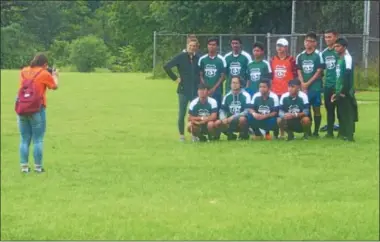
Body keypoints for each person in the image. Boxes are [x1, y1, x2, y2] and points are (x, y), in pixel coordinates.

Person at [16, 53, 59, 173]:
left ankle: (24, 167)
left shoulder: (24, 71)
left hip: (22, 107)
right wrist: (55, 76)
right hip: (37, 108)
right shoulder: (44, 73)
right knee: (38, 139)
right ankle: (38, 167)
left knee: (24, 139)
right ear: (45, 64)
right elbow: (54, 86)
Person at [164, 38, 201, 142]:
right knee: (182, 113)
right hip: (183, 90)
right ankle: (181, 135)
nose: (192, 48)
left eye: (194, 46)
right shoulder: (181, 57)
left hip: (195, 90)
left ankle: (195, 135)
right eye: (190, 46)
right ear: (187, 46)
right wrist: (175, 78)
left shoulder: (198, 58)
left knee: (195, 114)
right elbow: (166, 66)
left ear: (197, 47)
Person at [296, 31, 324, 138]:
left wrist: (308, 83)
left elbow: (319, 72)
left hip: (315, 86)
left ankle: (316, 131)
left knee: (316, 109)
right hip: (304, 87)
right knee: (306, 110)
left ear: (315, 43)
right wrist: (303, 84)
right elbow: (299, 71)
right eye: (307, 41)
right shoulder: (300, 56)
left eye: (311, 41)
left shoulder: (318, 55)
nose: (308, 43)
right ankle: (307, 131)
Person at [331, 37, 358, 142]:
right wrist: (336, 91)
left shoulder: (347, 58)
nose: (335, 48)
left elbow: (347, 75)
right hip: (339, 89)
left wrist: (343, 91)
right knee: (341, 113)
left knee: (348, 113)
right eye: (335, 46)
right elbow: (339, 76)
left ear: (344, 47)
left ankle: (350, 136)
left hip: (346, 91)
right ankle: (342, 133)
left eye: (338, 46)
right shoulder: (339, 58)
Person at [270, 38, 297, 139]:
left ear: (286, 47)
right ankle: (276, 133)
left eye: (281, 46)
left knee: (286, 113)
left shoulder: (291, 60)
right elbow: (271, 76)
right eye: (278, 46)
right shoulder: (273, 60)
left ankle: (288, 132)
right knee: (275, 113)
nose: (279, 48)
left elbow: (295, 75)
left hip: (287, 91)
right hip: (275, 91)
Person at [215, 76, 251, 140]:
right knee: (218, 122)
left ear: (240, 84)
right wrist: (223, 118)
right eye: (233, 83)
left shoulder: (246, 95)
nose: (234, 85)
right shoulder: (227, 96)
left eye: (236, 83)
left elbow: (247, 111)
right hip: (229, 121)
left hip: (240, 120)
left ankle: (244, 135)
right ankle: (230, 135)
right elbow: (222, 110)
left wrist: (233, 117)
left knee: (242, 119)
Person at [321, 29, 340, 137]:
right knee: (329, 109)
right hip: (328, 85)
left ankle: (342, 131)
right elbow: (322, 70)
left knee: (340, 109)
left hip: (338, 85)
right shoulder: (324, 53)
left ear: (335, 37)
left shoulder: (340, 51)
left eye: (329, 37)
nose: (327, 39)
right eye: (326, 37)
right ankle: (329, 132)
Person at [198, 37, 226, 108]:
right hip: (205, 90)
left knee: (217, 110)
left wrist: (214, 88)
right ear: (207, 46)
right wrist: (206, 87)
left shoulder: (221, 59)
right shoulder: (202, 59)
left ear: (217, 46)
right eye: (210, 44)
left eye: (214, 45)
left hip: (217, 90)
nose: (211, 46)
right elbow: (200, 75)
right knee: (205, 109)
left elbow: (222, 76)